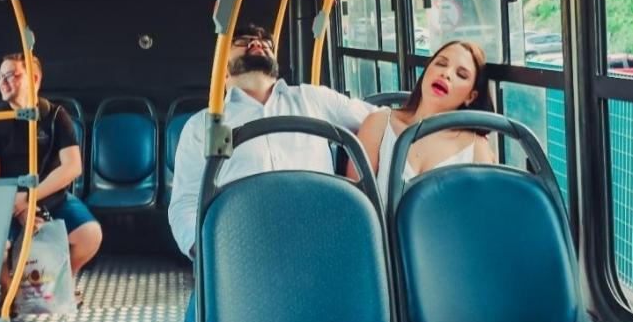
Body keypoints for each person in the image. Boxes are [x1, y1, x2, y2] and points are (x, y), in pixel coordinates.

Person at [168, 24, 376, 259]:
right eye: (243, 41)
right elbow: (185, 203)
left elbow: (378, 121)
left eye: (266, 42)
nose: (257, 43)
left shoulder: (313, 98)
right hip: (243, 245)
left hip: (321, 236)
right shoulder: (202, 125)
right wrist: (208, 252)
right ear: (222, 66)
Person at [0, 53, 103, 303]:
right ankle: (9, 292)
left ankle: (59, 285)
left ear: (34, 79)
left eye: (10, 75)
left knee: (90, 234)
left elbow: (72, 167)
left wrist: (31, 198)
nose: (3, 82)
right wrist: (18, 208)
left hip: (51, 198)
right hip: (9, 203)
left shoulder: (56, 117)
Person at [347, 40, 496, 200]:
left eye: (461, 74)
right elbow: (354, 203)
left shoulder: (476, 147)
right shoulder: (378, 123)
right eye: (440, 63)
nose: (446, 74)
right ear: (427, 70)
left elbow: (484, 215)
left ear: (470, 96)